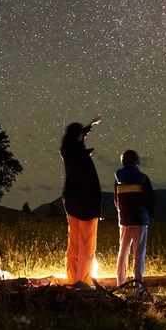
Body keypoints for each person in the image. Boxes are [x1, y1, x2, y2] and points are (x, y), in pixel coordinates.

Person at [60, 118, 101, 287]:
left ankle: (72, 279)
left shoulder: (67, 151)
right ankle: (83, 282)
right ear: (78, 137)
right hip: (86, 205)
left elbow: (77, 138)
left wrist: (88, 128)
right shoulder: (80, 156)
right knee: (86, 246)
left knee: (74, 244)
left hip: (71, 202)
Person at [114, 149, 155, 293]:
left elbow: (116, 200)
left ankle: (120, 286)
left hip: (124, 220)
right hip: (140, 219)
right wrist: (149, 214)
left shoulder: (118, 177)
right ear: (136, 161)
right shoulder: (143, 178)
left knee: (123, 251)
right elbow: (149, 199)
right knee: (139, 254)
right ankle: (138, 287)